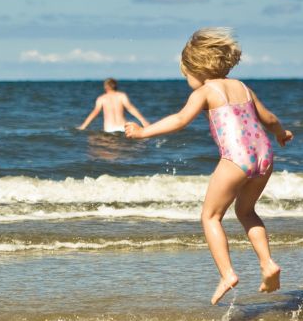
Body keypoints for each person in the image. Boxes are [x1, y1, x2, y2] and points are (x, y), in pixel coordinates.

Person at [125, 28, 292, 305]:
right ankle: (267, 263)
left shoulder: (205, 91)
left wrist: (143, 132)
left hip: (236, 159)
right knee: (247, 211)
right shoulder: (242, 87)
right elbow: (270, 118)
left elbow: (179, 120)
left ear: (196, 69)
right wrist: (282, 134)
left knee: (210, 217)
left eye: (186, 75)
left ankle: (227, 274)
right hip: (265, 156)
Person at [78, 78, 149, 133]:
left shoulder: (102, 98)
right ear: (115, 86)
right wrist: (143, 120)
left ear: (106, 86)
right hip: (123, 128)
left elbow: (95, 112)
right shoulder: (122, 96)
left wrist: (83, 126)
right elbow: (131, 108)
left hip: (109, 129)